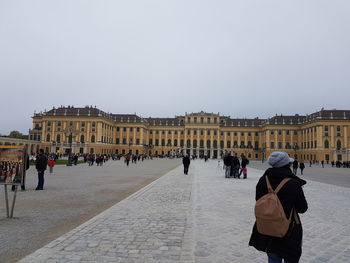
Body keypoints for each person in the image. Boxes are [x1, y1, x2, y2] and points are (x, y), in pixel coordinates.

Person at [249, 152, 308, 263]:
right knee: (291, 258)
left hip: (268, 228)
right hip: (289, 230)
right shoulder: (293, 182)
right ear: (287, 165)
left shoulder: (263, 180)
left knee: (273, 258)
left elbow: (259, 201)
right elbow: (302, 208)